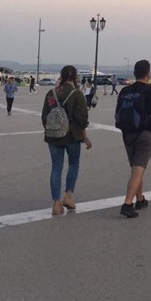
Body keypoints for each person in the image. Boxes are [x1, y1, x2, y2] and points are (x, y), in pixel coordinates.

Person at [115, 60, 151, 218]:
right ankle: (127, 204)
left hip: (127, 133)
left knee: (135, 168)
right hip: (145, 133)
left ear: (134, 73)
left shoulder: (125, 91)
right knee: (139, 168)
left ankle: (140, 199)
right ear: (148, 73)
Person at [41, 66, 91, 216]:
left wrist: (53, 129)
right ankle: (68, 196)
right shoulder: (77, 94)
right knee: (73, 164)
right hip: (72, 136)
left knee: (56, 167)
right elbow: (83, 119)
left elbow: (44, 116)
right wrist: (85, 137)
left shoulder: (51, 93)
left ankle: (56, 204)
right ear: (75, 77)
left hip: (53, 136)